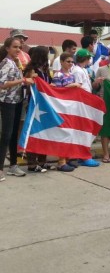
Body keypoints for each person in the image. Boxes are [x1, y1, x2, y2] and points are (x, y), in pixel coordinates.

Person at [0, 37, 34, 182]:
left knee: (14, 134)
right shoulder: (6, 63)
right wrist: (23, 80)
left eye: (19, 47)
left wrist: (24, 75)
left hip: (17, 100)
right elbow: (2, 84)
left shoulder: (15, 62)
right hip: (8, 101)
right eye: (15, 47)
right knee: (6, 135)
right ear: (7, 48)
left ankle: (13, 164)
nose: (18, 49)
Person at [51, 53, 82, 172]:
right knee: (62, 134)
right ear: (62, 62)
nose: (70, 64)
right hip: (62, 108)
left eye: (72, 62)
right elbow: (58, 92)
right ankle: (61, 161)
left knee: (69, 133)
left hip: (70, 107)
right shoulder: (58, 75)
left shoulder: (71, 75)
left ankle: (68, 158)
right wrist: (73, 85)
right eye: (68, 61)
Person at [23, 46, 50, 173]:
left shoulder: (44, 70)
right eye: (46, 54)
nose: (48, 57)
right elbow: (27, 88)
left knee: (45, 133)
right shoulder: (31, 70)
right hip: (34, 106)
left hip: (45, 106)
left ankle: (43, 161)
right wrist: (32, 79)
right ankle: (32, 163)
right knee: (34, 133)